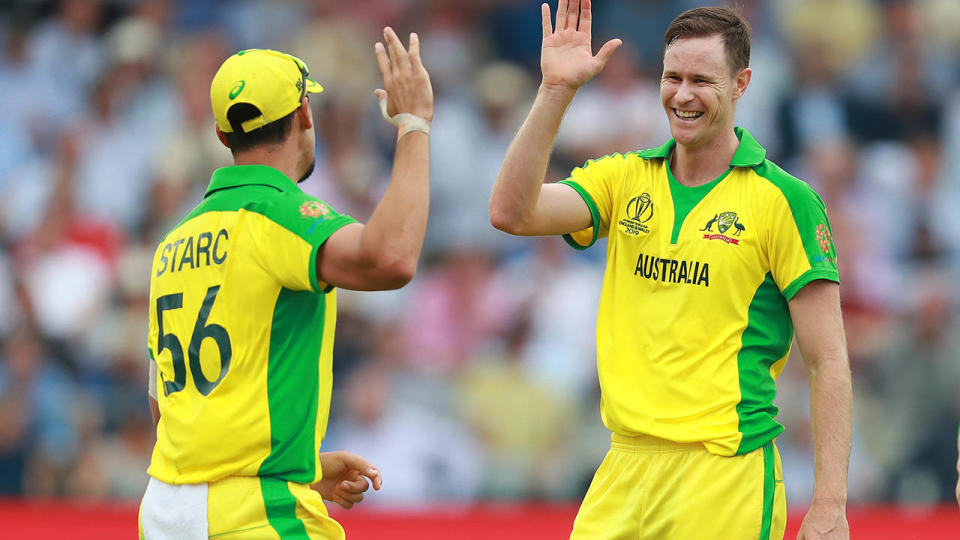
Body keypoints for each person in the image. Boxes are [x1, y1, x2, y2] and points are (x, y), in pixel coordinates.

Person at [489, 2, 852, 539]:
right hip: (622, 467)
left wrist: (829, 505)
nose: (682, 95)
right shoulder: (625, 178)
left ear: (741, 83)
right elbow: (511, 213)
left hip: (723, 472)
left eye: (702, 80)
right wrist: (556, 92)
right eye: (672, 77)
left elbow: (827, 361)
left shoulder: (785, 200)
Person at [140, 27, 434, 540]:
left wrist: (307, 466)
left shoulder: (174, 241)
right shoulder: (277, 212)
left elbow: (165, 406)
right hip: (254, 512)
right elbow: (392, 259)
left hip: (165, 509)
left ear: (222, 136)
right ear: (304, 114)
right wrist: (414, 125)